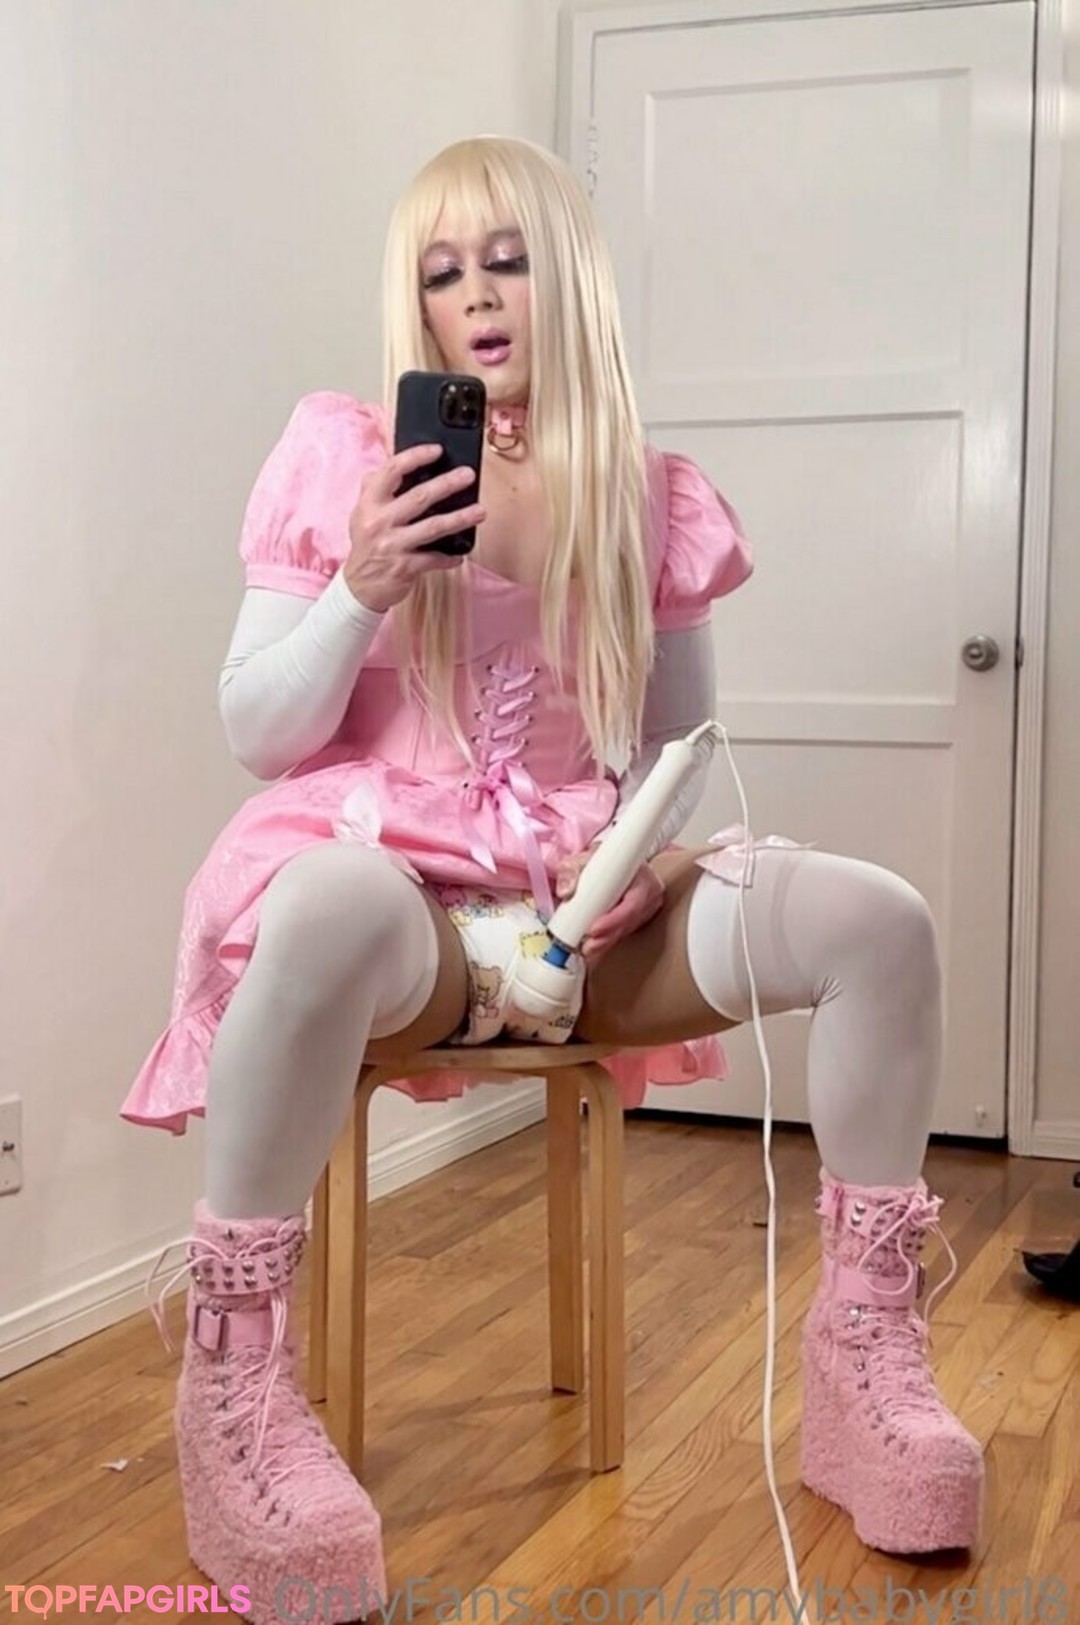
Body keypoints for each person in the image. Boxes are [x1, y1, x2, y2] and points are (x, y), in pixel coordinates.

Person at [129, 136, 983, 1622]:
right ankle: (237, 1382)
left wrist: (640, 858)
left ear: (568, 278)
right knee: (322, 900)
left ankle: (866, 1359)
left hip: (584, 907)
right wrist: (362, 587)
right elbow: (258, 731)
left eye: (508, 260)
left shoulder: (650, 494)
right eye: (442, 271)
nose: (477, 296)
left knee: (879, 919)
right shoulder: (346, 456)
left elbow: (675, 753)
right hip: (404, 901)